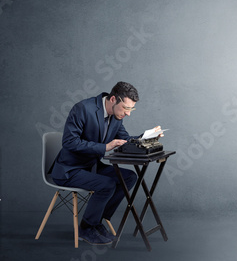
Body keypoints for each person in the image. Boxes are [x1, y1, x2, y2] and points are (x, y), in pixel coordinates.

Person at [51, 81, 162, 245]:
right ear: (112, 99)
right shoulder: (83, 109)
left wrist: (147, 138)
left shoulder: (117, 116)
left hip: (92, 167)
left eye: (131, 109)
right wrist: (105, 147)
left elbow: (125, 139)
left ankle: (97, 221)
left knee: (129, 177)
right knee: (107, 184)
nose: (128, 113)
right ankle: (86, 227)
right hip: (69, 169)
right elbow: (69, 142)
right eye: (126, 108)